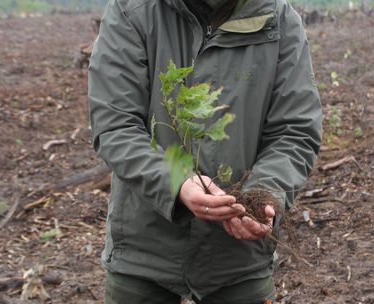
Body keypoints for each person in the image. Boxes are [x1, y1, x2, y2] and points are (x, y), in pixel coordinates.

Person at [88, 0, 322, 302]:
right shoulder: (134, 11)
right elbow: (116, 124)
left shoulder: (277, 20)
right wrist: (177, 181)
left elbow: (295, 130)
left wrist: (264, 194)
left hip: (238, 258)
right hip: (144, 252)